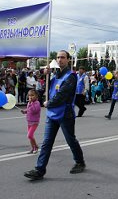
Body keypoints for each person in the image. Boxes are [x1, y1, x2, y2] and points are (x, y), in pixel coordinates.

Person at [24, 50, 85, 181]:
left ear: (68, 60)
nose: (60, 59)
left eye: (63, 57)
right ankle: (39, 170)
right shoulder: (54, 75)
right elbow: (42, 90)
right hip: (52, 114)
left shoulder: (71, 76)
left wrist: (48, 103)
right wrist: (43, 75)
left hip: (65, 114)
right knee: (46, 143)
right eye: (58, 57)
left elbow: (62, 96)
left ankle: (80, 162)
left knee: (70, 140)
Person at [21, 89, 41, 154]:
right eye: (29, 95)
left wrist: (29, 104)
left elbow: (34, 110)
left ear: (36, 96)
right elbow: (29, 110)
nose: (30, 97)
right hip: (29, 121)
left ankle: (36, 147)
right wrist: (24, 111)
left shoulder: (37, 103)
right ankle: (33, 148)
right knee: (30, 136)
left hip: (35, 122)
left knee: (29, 135)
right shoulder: (30, 103)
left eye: (32, 95)